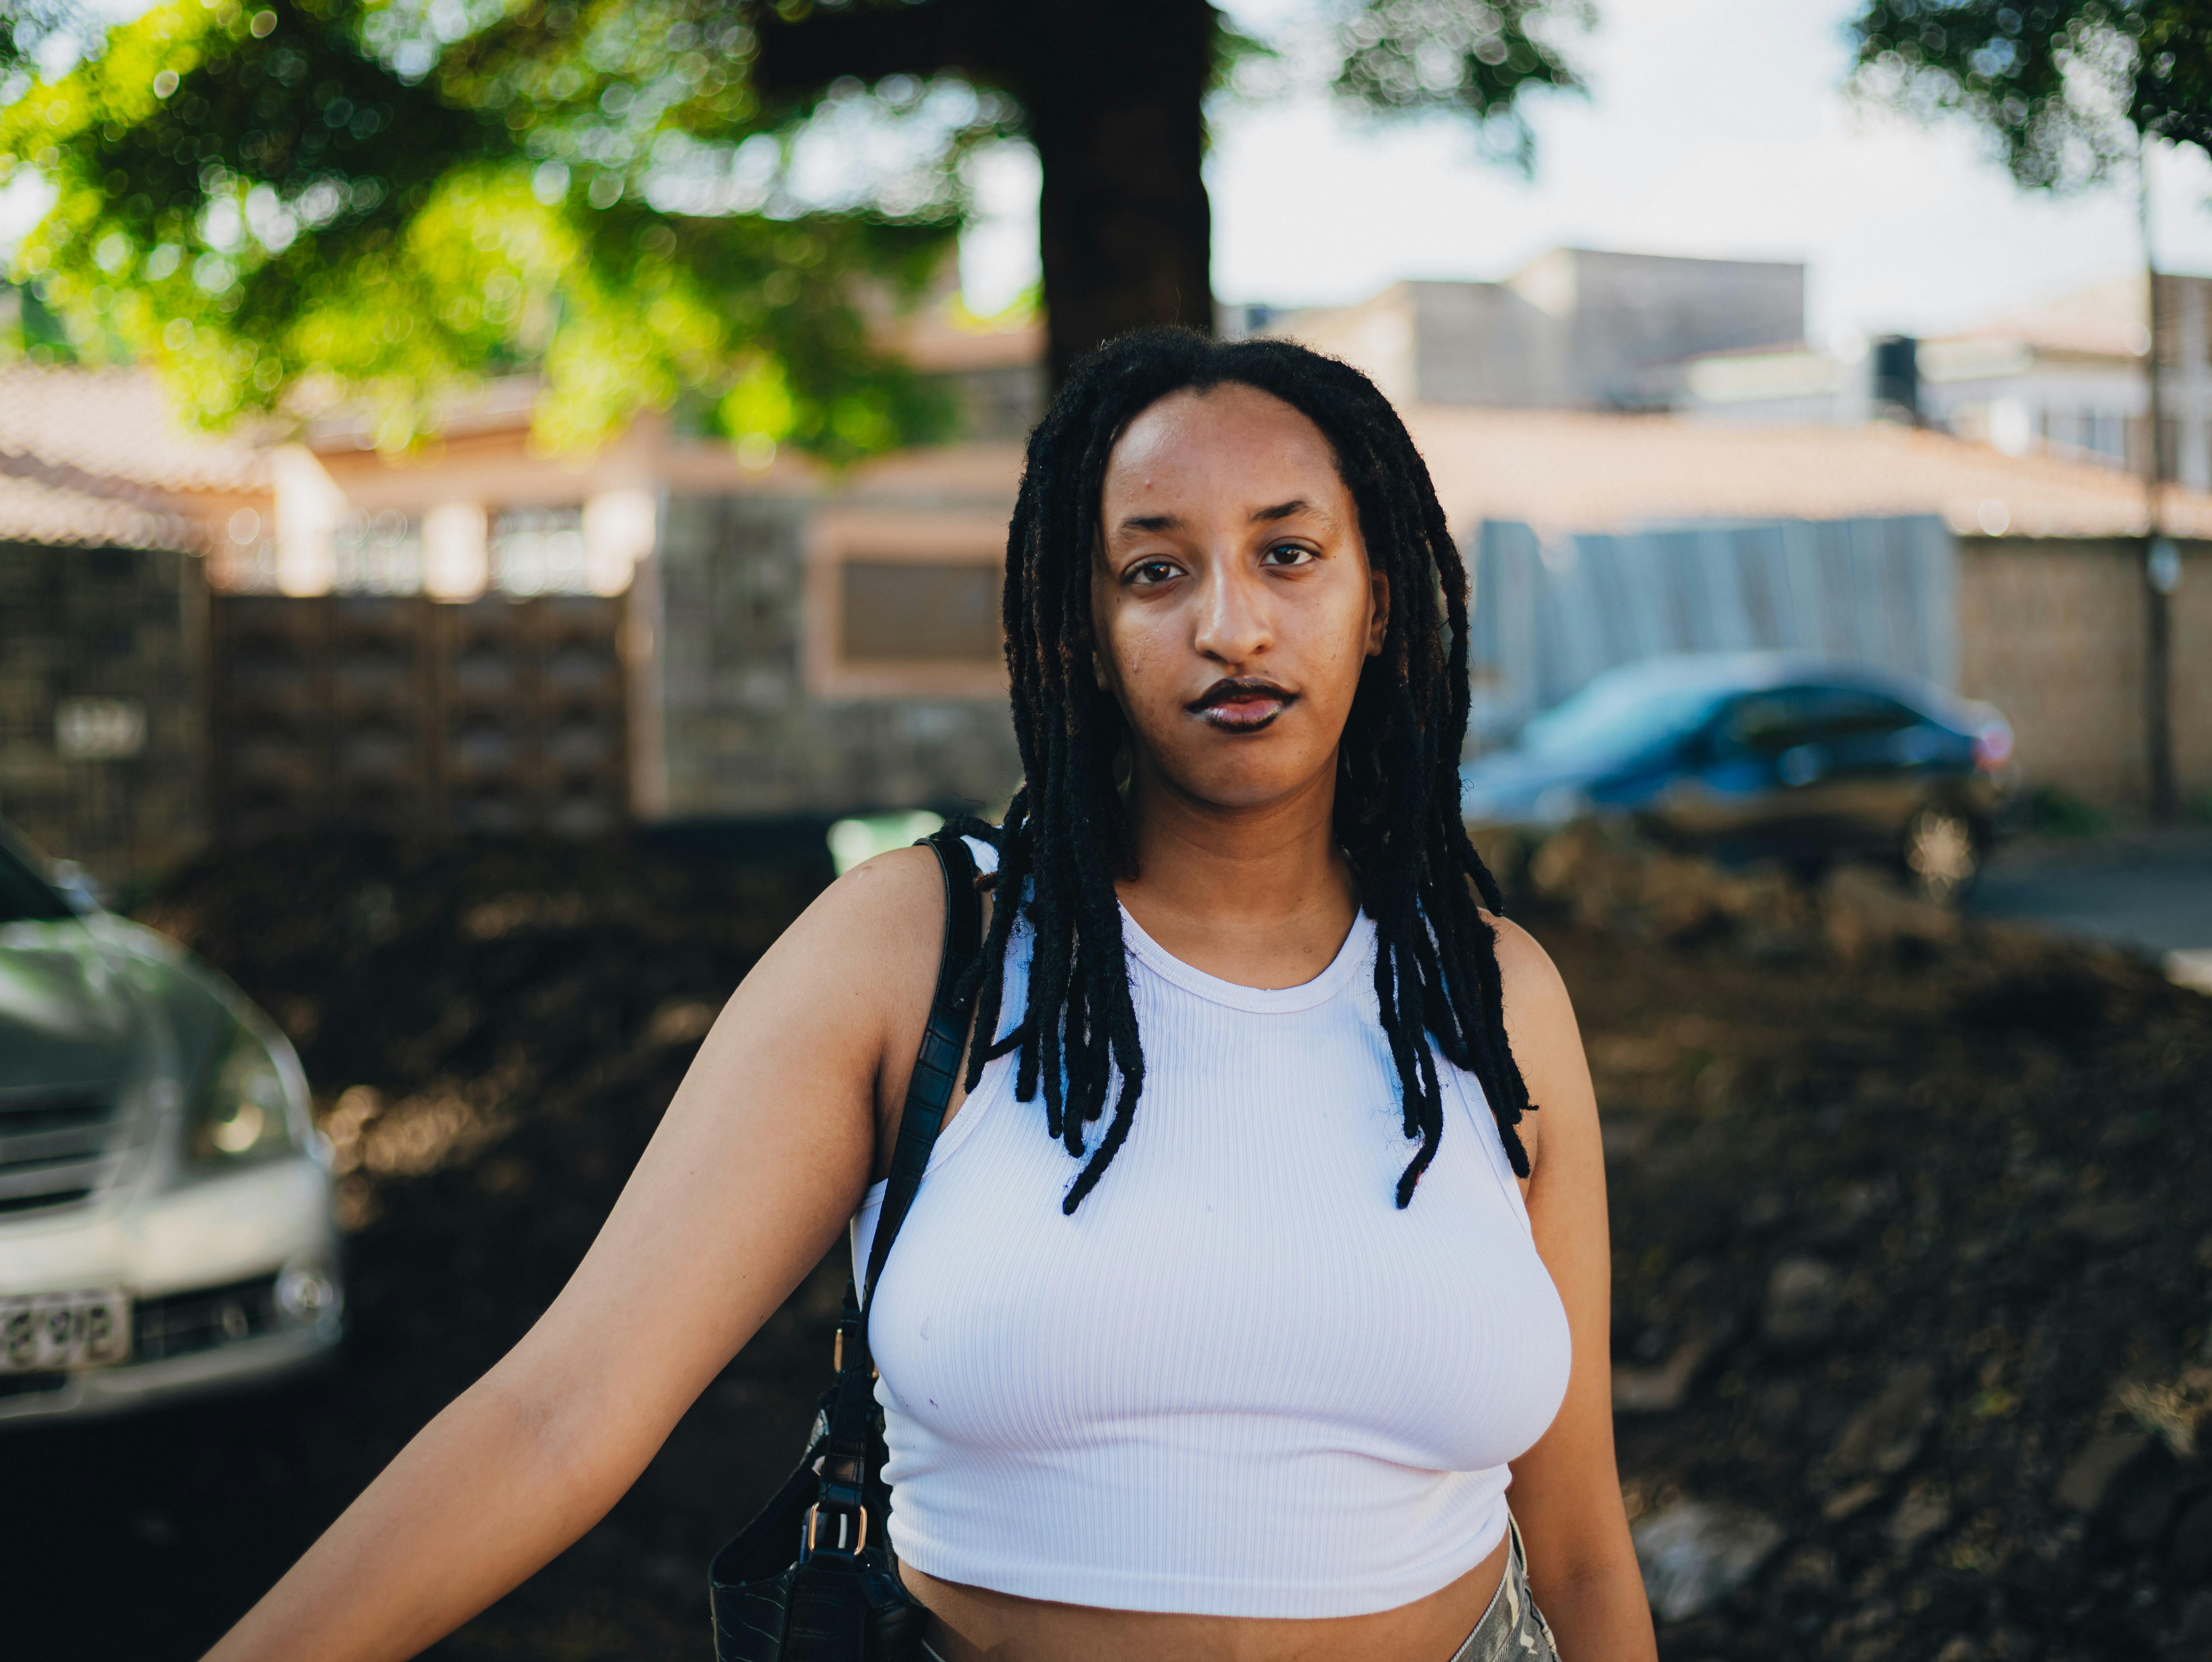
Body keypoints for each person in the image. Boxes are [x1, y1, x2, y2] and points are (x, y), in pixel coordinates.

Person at [205, 329, 1657, 1662]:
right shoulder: (919, 950)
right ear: (1083, 626)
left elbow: (1585, 1552)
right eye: (1157, 569)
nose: (1232, 625)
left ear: (1381, 600)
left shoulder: (1490, 999)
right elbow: (560, 1412)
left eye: (1290, 555)